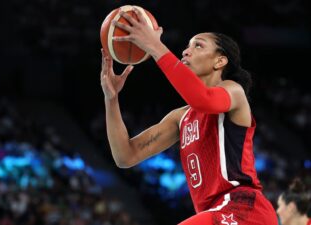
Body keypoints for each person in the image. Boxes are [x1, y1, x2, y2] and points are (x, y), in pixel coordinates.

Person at [100, 6, 278, 225]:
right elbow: (125, 156)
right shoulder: (180, 117)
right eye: (187, 46)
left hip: (243, 209)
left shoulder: (234, 92)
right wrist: (111, 99)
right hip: (215, 212)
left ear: (220, 61)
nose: (185, 51)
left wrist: (155, 46)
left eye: (198, 45)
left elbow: (203, 99)